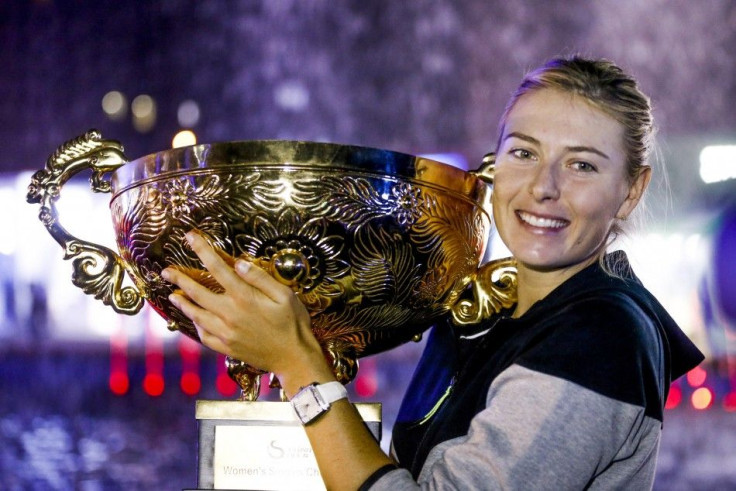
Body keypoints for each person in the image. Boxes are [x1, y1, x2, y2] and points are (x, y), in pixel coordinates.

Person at [162, 56, 704, 489]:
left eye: (582, 164)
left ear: (632, 191)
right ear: (494, 164)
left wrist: (301, 367)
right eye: (523, 153)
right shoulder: (481, 309)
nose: (544, 187)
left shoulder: (600, 336)